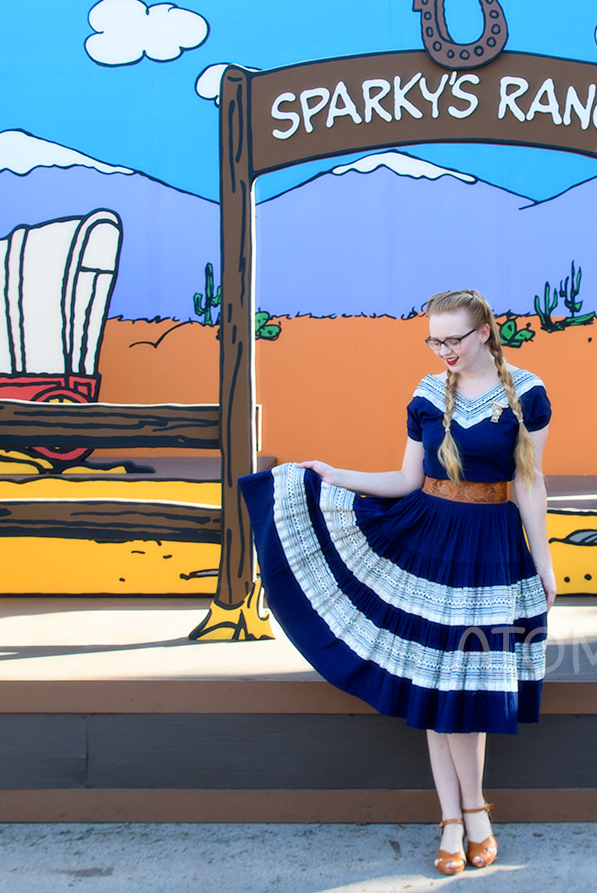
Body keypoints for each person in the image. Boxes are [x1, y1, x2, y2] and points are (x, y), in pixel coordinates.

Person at [238, 288, 556, 876]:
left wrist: (543, 560)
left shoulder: (528, 394)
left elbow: (530, 483)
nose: (444, 351)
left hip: (491, 548)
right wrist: (337, 475)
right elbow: (408, 477)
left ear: (484, 332)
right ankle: (461, 817)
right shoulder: (428, 393)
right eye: (434, 340)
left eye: (453, 339)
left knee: (471, 689)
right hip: (428, 543)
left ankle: (466, 818)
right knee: (439, 686)